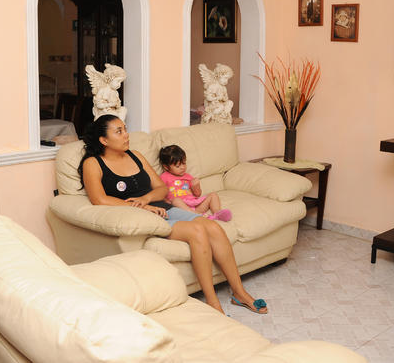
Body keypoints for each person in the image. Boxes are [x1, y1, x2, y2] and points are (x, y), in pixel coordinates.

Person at [78, 114, 267, 314]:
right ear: (104, 140)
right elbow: (99, 199)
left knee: (213, 227)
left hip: (164, 208)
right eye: (119, 131)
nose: (126, 135)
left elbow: (161, 188)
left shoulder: (135, 155)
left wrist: (146, 199)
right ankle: (213, 304)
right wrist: (142, 207)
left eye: (125, 129)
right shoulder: (93, 163)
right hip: (144, 219)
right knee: (197, 231)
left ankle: (239, 292)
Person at [158, 144, 231, 222]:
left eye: (184, 163)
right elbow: (159, 192)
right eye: (178, 166)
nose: (183, 167)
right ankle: (196, 215)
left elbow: (197, 194)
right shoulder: (164, 177)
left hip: (195, 205)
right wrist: (167, 201)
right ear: (166, 167)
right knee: (176, 201)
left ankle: (217, 213)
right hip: (180, 208)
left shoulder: (188, 176)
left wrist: (196, 186)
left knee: (213, 195)